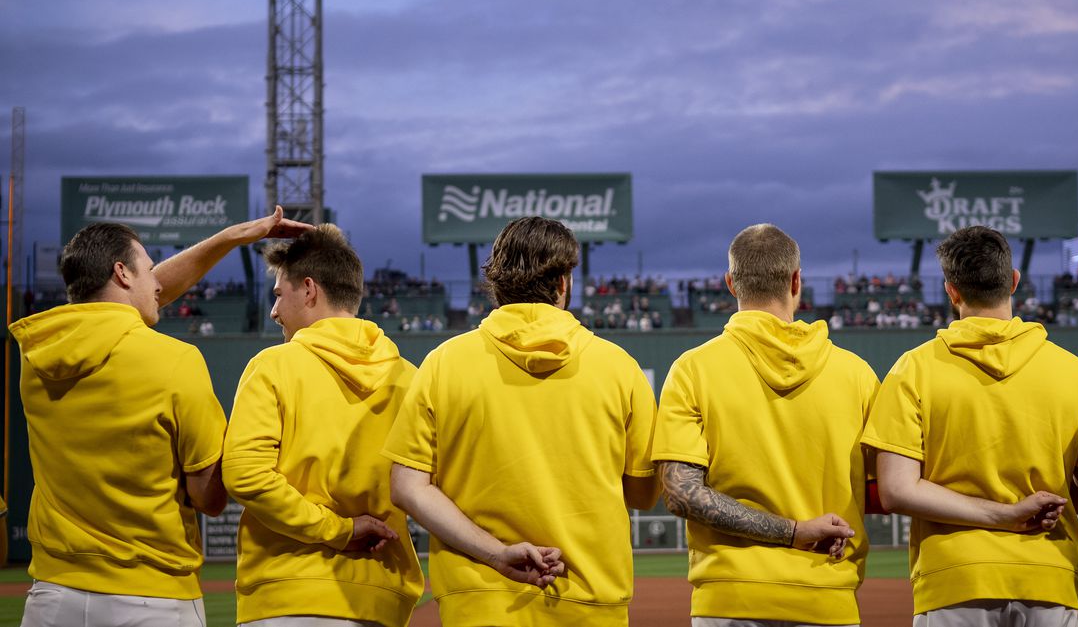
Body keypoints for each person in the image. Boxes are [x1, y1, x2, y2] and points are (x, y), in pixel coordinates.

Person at [9, 208, 308, 627]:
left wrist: (230, 237)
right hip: (152, 598)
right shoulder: (176, 359)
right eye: (149, 269)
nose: (159, 284)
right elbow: (210, 499)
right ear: (122, 273)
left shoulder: (35, 353)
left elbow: (114, 311)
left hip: (53, 597)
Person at [385, 216, 658, 626]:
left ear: (495, 283)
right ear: (564, 282)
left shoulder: (443, 364)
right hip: (590, 599)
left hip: (477, 601)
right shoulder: (620, 368)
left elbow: (408, 488)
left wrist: (495, 553)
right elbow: (642, 494)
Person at [867, 225, 1078, 626]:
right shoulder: (1077, 374)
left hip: (954, 581)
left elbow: (895, 490)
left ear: (951, 290)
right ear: (1013, 281)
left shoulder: (913, 369)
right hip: (1050, 578)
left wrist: (1000, 515)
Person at [654, 223, 878, 626]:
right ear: (796, 281)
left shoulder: (692, 370)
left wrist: (793, 530)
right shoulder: (857, 375)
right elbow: (887, 489)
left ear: (730, 284)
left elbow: (681, 494)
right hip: (828, 596)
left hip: (728, 601)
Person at [222, 224, 424, 626]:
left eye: (279, 295)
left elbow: (245, 475)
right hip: (380, 598)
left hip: (286, 594)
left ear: (309, 290)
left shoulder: (273, 365)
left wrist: (338, 530)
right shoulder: (410, 378)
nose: (274, 311)